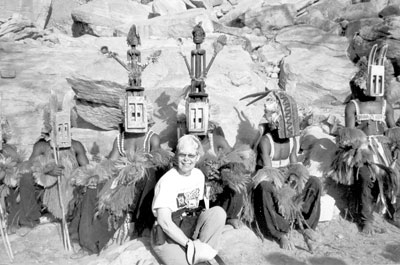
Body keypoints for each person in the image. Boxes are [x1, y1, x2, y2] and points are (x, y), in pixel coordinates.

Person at [69, 120, 165, 258]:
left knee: (119, 199)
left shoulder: (152, 138)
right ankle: (85, 240)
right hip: (119, 178)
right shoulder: (120, 139)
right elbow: (111, 163)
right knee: (91, 188)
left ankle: (95, 243)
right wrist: (96, 175)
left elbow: (157, 160)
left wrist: (135, 170)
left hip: (140, 183)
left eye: (138, 113)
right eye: (130, 113)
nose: (134, 117)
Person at [331, 43, 398, 234]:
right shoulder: (353, 106)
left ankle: (394, 213)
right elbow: (348, 136)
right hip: (361, 151)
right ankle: (366, 218)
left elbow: (392, 129)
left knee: (394, 173)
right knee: (366, 176)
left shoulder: (386, 105)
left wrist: (391, 140)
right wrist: (363, 131)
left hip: (383, 149)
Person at [241, 89, 321, 250]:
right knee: (266, 188)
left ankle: (306, 226)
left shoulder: (292, 141)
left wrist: (296, 178)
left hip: (285, 179)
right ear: (276, 123)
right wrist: (285, 188)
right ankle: (279, 233)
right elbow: (268, 173)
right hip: (268, 181)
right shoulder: (266, 141)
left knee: (314, 182)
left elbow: (294, 165)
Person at [7, 106, 89, 234]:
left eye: (65, 126)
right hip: (47, 191)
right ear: (52, 127)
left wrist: (77, 177)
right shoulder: (42, 146)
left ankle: (69, 216)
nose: (62, 130)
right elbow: (28, 167)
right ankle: (29, 219)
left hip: (70, 190)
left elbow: (87, 170)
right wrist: (46, 170)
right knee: (26, 179)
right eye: (58, 126)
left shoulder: (76, 146)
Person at [151, 135, 226, 265]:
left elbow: (197, 208)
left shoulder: (198, 175)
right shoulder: (168, 181)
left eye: (191, 156)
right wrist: (188, 244)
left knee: (218, 213)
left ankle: (201, 253)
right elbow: (164, 222)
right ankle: (197, 253)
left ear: (197, 157)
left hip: (189, 227)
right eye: (182, 155)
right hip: (168, 235)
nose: (186, 159)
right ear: (176, 156)